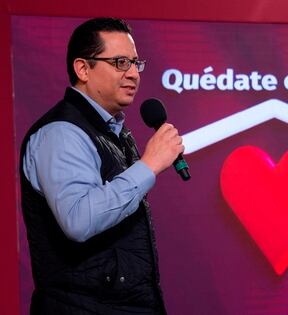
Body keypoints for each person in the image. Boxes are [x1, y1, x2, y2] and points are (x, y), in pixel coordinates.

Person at [19, 17, 183, 314]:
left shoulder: (112, 130)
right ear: (83, 68)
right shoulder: (62, 133)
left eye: (135, 63)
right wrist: (148, 166)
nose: (133, 73)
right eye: (120, 62)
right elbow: (79, 220)